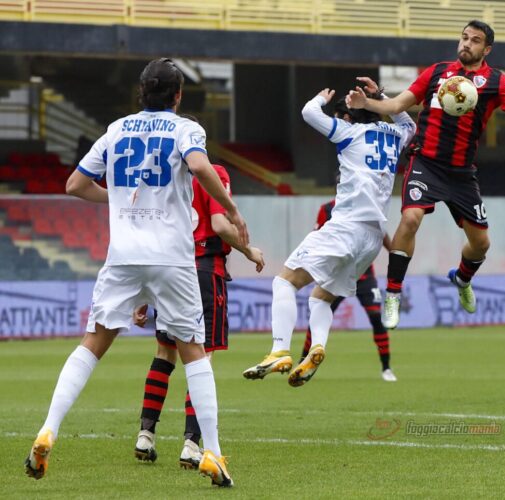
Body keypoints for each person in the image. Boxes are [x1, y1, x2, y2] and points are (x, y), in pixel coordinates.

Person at [24, 58, 247, 487]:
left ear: (140, 92)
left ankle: (47, 429)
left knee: (92, 344)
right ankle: (213, 453)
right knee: (193, 350)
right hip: (173, 257)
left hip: (123, 255)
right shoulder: (186, 129)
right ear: (178, 96)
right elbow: (200, 167)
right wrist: (233, 210)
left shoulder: (116, 129)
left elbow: (74, 185)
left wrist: (117, 197)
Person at [346, 20, 505, 329]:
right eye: (464, 38)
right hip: (426, 164)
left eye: (474, 41)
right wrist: (367, 102)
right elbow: (396, 104)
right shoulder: (436, 72)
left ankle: (462, 279)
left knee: (481, 244)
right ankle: (393, 293)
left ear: (486, 49)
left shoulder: (495, 82)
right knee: (410, 219)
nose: (466, 44)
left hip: (462, 173)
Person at [242, 79, 415, 386]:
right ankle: (317, 347)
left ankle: (279, 349)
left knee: (284, 282)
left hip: (345, 226)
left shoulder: (349, 133)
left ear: (352, 116)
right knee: (321, 297)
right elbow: (407, 121)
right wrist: (379, 97)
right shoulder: (395, 135)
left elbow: (309, 113)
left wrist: (320, 97)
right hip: (373, 238)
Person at [133, 162, 265, 469]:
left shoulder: (163, 180)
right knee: (201, 360)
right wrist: (248, 250)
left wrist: (143, 292)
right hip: (204, 271)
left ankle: (145, 434)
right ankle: (191, 445)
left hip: (167, 273)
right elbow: (219, 225)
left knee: (164, 353)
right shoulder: (212, 173)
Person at [298, 196, 396, 382]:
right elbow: (317, 236)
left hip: (364, 275)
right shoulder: (327, 209)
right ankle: (303, 363)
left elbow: (381, 233)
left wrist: (394, 253)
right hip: (337, 274)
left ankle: (387, 368)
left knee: (376, 317)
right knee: (318, 316)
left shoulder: (368, 205)